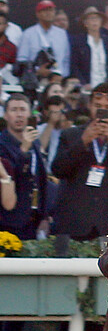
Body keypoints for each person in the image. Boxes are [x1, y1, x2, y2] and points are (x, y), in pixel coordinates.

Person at [51, 83, 108, 241]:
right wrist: (83, 142)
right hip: (75, 221)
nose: (103, 110)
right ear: (89, 106)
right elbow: (58, 169)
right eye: (98, 105)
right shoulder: (71, 135)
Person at [0, 94, 48, 240]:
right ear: (6, 115)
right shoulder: (2, 143)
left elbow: (41, 180)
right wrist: (24, 150)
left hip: (33, 218)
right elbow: (13, 176)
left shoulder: (35, 142)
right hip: (8, 219)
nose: (19, 114)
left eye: (23, 109)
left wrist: (44, 215)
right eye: (14, 110)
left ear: (29, 113)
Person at [16, 0, 70, 79]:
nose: (48, 13)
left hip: (57, 80)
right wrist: (36, 71)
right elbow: (21, 60)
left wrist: (62, 75)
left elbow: (66, 59)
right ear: (38, 14)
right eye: (45, 10)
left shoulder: (62, 34)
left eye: (51, 10)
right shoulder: (28, 33)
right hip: (34, 78)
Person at [70, 6, 108, 91]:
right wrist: (83, 83)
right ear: (85, 23)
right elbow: (74, 66)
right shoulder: (79, 42)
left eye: (97, 18)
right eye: (91, 19)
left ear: (101, 22)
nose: (95, 21)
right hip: (88, 88)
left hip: (106, 87)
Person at [36, 95, 67, 173]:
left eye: (61, 111)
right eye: (54, 112)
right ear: (46, 112)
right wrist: (51, 123)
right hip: (46, 174)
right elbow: (40, 148)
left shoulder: (71, 129)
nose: (58, 115)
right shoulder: (39, 129)